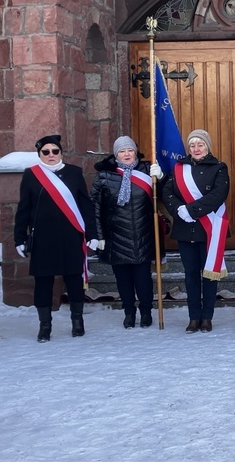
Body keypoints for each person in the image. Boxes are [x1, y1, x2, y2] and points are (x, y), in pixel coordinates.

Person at [14, 135, 98, 342]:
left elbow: (86, 206)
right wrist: (19, 238)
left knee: (74, 280)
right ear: (40, 154)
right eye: (46, 152)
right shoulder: (31, 175)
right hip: (43, 238)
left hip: (71, 236)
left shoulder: (74, 173)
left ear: (60, 153)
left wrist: (93, 234)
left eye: (55, 151)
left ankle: (77, 322)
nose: (51, 155)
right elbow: (23, 209)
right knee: (43, 282)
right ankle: (45, 326)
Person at [90, 136, 164, 329]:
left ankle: (146, 312)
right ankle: (129, 312)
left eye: (129, 150)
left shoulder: (148, 171)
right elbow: (95, 207)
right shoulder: (104, 176)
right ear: (116, 155)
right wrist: (98, 235)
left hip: (143, 234)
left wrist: (161, 179)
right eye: (122, 151)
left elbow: (163, 198)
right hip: (116, 236)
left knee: (143, 279)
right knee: (123, 280)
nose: (126, 154)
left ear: (135, 152)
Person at [162, 129, 229, 333]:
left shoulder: (219, 167)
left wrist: (191, 209)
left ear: (207, 146)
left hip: (209, 230)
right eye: (192, 145)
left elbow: (219, 194)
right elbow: (167, 192)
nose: (196, 149)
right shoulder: (179, 168)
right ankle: (193, 317)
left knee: (209, 275)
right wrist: (178, 210)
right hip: (185, 229)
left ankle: (207, 317)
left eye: (200, 145)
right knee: (190, 275)